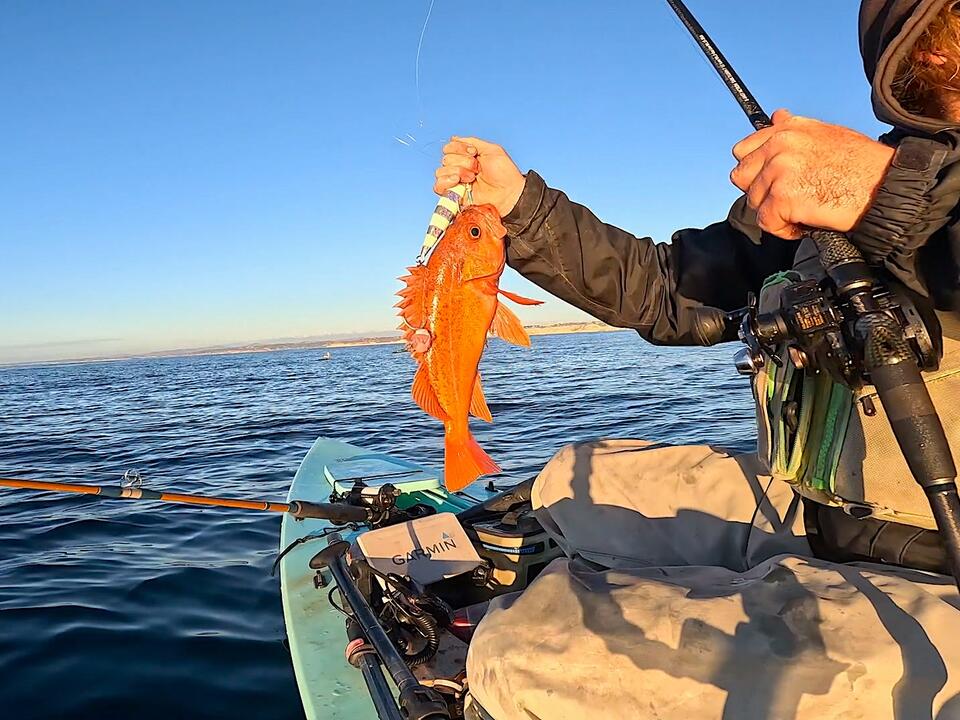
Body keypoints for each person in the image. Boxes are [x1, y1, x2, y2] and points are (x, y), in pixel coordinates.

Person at [433, 2, 960, 719]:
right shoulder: (856, 186)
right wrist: (522, 207)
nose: (936, 52)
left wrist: (893, 196)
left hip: (937, 556)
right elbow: (667, 290)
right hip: (825, 506)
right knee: (562, 483)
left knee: (519, 654)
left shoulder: (888, 183)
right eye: (932, 33)